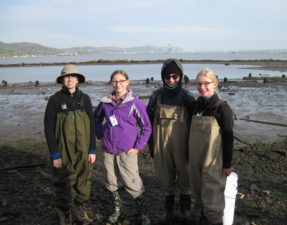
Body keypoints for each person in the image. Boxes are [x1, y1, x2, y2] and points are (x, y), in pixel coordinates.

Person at [94, 70, 152, 225]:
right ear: (111, 83)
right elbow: (96, 118)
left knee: (133, 183)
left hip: (128, 151)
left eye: (121, 81)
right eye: (114, 81)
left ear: (127, 82)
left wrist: (138, 147)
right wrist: (100, 135)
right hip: (108, 150)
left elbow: (146, 127)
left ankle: (143, 213)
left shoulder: (135, 103)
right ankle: (117, 210)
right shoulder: (105, 102)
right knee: (111, 181)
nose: (118, 84)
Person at [44, 64, 96, 225]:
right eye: (67, 77)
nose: (70, 79)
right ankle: (65, 211)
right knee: (63, 179)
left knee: (83, 177)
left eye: (73, 76)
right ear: (62, 80)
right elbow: (48, 128)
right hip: (63, 150)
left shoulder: (85, 99)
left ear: (78, 79)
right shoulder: (55, 100)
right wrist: (55, 154)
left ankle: (80, 207)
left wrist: (92, 149)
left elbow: (92, 125)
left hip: (83, 149)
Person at [147, 59, 195, 223]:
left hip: (183, 146)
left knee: (185, 176)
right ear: (163, 77)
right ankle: (168, 212)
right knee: (165, 176)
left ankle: (185, 211)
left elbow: (197, 123)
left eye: (175, 76)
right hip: (161, 144)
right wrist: (151, 146)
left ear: (180, 77)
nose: (171, 80)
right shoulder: (156, 96)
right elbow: (148, 122)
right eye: (167, 76)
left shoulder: (187, 97)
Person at [188, 68, 234, 225]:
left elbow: (228, 138)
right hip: (195, 160)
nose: (202, 87)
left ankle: (213, 221)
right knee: (198, 192)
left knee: (213, 197)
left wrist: (227, 165)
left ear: (215, 84)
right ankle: (203, 217)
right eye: (199, 84)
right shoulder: (196, 106)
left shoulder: (222, 108)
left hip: (213, 161)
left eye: (206, 83)